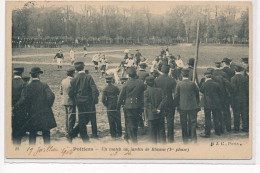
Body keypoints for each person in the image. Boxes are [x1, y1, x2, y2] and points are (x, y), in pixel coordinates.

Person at [20, 67, 57, 145]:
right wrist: (47, 106)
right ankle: (47, 150)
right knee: (46, 132)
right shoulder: (44, 85)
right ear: (38, 74)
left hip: (32, 113)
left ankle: (32, 150)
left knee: (32, 133)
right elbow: (51, 96)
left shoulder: (27, 86)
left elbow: (23, 100)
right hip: (44, 112)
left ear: (32, 75)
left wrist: (27, 109)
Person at [69, 62, 99, 143]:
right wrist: (95, 100)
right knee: (89, 118)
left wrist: (76, 99)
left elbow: (71, 92)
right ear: (83, 68)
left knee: (82, 119)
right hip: (89, 102)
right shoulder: (88, 77)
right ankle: (73, 134)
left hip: (79, 102)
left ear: (76, 69)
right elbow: (94, 89)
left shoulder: (74, 79)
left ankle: (82, 136)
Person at [117, 67, 146, 144]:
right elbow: (144, 91)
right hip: (138, 106)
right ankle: (127, 136)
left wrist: (118, 107)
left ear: (128, 75)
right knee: (135, 122)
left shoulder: (126, 84)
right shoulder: (140, 82)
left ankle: (133, 140)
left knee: (130, 123)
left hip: (128, 106)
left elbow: (121, 97)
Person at [174, 69, 199, 143]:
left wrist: (177, 105)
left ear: (182, 75)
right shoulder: (192, 83)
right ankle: (194, 139)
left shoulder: (179, 84)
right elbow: (197, 94)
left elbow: (176, 96)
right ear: (188, 75)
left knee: (183, 123)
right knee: (193, 122)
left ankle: (185, 140)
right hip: (192, 106)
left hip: (182, 106)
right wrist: (196, 103)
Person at [155, 65, 177, 143]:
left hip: (160, 102)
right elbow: (176, 93)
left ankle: (162, 138)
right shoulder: (172, 80)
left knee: (161, 120)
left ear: (161, 71)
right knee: (170, 120)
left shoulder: (157, 80)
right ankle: (170, 139)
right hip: (169, 101)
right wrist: (175, 102)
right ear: (168, 71)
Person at [144, 76, 167, 144]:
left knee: (152, 133)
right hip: (160, 114)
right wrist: (159, 109)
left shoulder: (146, 92)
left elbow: (147, 103)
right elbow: (164, 100)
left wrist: (154, 110)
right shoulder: (160, 90)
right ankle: (164, 146)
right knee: (162, 131)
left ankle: (154, 147)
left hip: (151, 115)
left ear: (146, 83)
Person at [200, 70, 223, 137]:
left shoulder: (204, 84)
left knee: (207, 118)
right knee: (216, 117)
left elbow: (201, 90)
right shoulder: (216, 84)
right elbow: (220, 92)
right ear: (211, 76)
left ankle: (207, 132)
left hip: (207, 103)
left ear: (205, 76)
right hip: (216, 103)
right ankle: (217, 132)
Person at [60, 68, 76, 143]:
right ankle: (70, 131)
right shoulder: (72, 81)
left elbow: (61, 92)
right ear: (72, 73)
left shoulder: (63, 80)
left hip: (64, 100)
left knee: (67, 116)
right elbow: (73, 92)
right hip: (71, 101)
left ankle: (67, 129)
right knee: (71, 117)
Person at [231, 65, 249, 132]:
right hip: (244, 98)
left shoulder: (233, 78)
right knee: (244, 114)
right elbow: (247, 90)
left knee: (236, 114)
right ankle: (245, 127)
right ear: (241, 71)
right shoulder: (245, 78)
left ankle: (236, 128)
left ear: (235, 70)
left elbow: (233, 90)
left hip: (236, 99)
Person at [12, 67, 26, 145]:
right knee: (17, 129)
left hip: (8, 108)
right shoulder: (23, 83)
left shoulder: (8, 81)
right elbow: (23, 98)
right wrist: (15, 106)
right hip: (19, 109)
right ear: (22, 73)